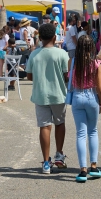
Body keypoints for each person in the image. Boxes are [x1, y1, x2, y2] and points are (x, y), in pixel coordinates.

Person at [26, 23, 68, 174]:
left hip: (40, 94)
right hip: (58, 94)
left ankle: (45, 162)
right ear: (55, 37)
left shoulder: (34, 54)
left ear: (40, 38)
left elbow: (29, 75)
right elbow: (66, 75)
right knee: (60, 123)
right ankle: (59, 154)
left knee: (44, 126)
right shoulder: (62, 54)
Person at [70, 35, 101, 182]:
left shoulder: (73, 62)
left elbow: (69, 80)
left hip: (78, 96)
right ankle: (94, 166)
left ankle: (82, 170)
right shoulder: (96, 63)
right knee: (93, 131)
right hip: (91, 97)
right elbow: (100, 88)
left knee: (80, 134)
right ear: (92, 48)